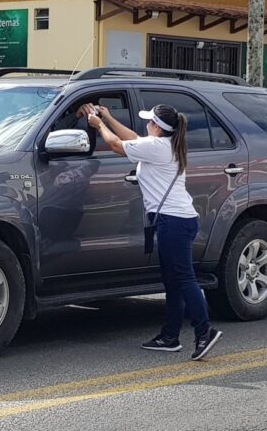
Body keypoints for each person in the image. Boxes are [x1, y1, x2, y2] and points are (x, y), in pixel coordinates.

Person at [80, 101, 223, 360]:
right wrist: (109, 118)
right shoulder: (164, 144)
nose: (146, 124)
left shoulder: (157, 147)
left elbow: (116, 145)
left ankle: (205, 332)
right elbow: (133, 138)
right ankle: (170, 336)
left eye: (149, 121)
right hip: (177, 220)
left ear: (157, 127)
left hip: (174, 222)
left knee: (184, 279)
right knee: (173, 281)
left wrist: (99, 124)